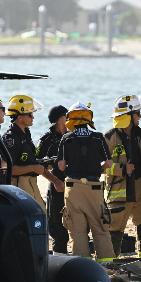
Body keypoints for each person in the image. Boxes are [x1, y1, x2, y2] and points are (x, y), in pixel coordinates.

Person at [57, 102, 115, 263]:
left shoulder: (66, 138)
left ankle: (83, 263)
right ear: (89, 118)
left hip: (72, 188)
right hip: (94, 187)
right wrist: (98, 169)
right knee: (100, 227)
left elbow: (61, 166)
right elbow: (109, 163)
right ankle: (107, 262)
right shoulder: (98, 137)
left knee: (77, 230)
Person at [104, 94, 141, 258]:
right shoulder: (109, 137)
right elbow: (98, 166)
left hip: (140, 191)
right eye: (138, 113)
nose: (140, 116)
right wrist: (122, 169)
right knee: (114, 232)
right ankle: (111, 263)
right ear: (128, 115)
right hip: (119, 193)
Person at [2, 95, 46, 209]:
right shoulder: (11, 138)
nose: (33, 117)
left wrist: (42, 163)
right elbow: (9, 169)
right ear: (20, 117)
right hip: (19, 187)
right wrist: (32, 168)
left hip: (31, 185)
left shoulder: (26, 133)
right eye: (30, 114)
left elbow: (27, 160)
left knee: (41, 214)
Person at [36, 105, 69, 254]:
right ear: (60, 119)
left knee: (78, 226)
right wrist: (55, 181)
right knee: (57, 228)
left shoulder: (72, 136)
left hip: (74, 186)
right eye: (66, 116)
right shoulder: (46, 140)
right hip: (57, 187)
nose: (68, 118)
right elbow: (38, 166)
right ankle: (60, 258)